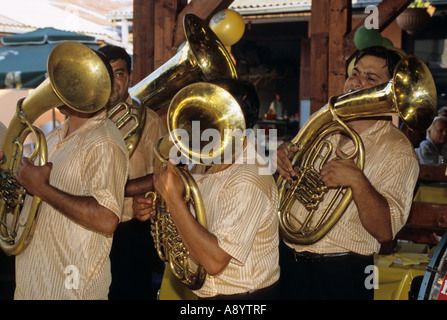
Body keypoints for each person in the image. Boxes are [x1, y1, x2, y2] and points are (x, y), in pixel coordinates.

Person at [274, 46, 420, 300]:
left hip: (343, 273)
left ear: (393, 94)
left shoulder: (399, 150)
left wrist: (357, 181)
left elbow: (386, 231)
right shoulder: (323, 118)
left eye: (371, 78)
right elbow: (288, 174)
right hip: (287, 261)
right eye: (355, 73)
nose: (356, 81)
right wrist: (283, 156)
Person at [132, 78, 280, 300]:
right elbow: (191, 217)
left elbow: (214, 261)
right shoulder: (205, 158)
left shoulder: (248, 177)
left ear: (237, 118)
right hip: (204, 292)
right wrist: (157, 205)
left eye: (214, 105)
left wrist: (173, 200)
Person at [6, 53, 130, 299]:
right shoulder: (51, 138)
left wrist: (42, 188)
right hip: (32, 286)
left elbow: (106, 218)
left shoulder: (104, 142)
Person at [97, 45, 167, 300]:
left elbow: (164, 175)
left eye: (119, 73)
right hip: (87, 228)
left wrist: (117, 189)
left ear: (129, 77)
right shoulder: (82, 118)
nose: (113, 81)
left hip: (129, 230)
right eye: (106, 73)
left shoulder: (148, 121)